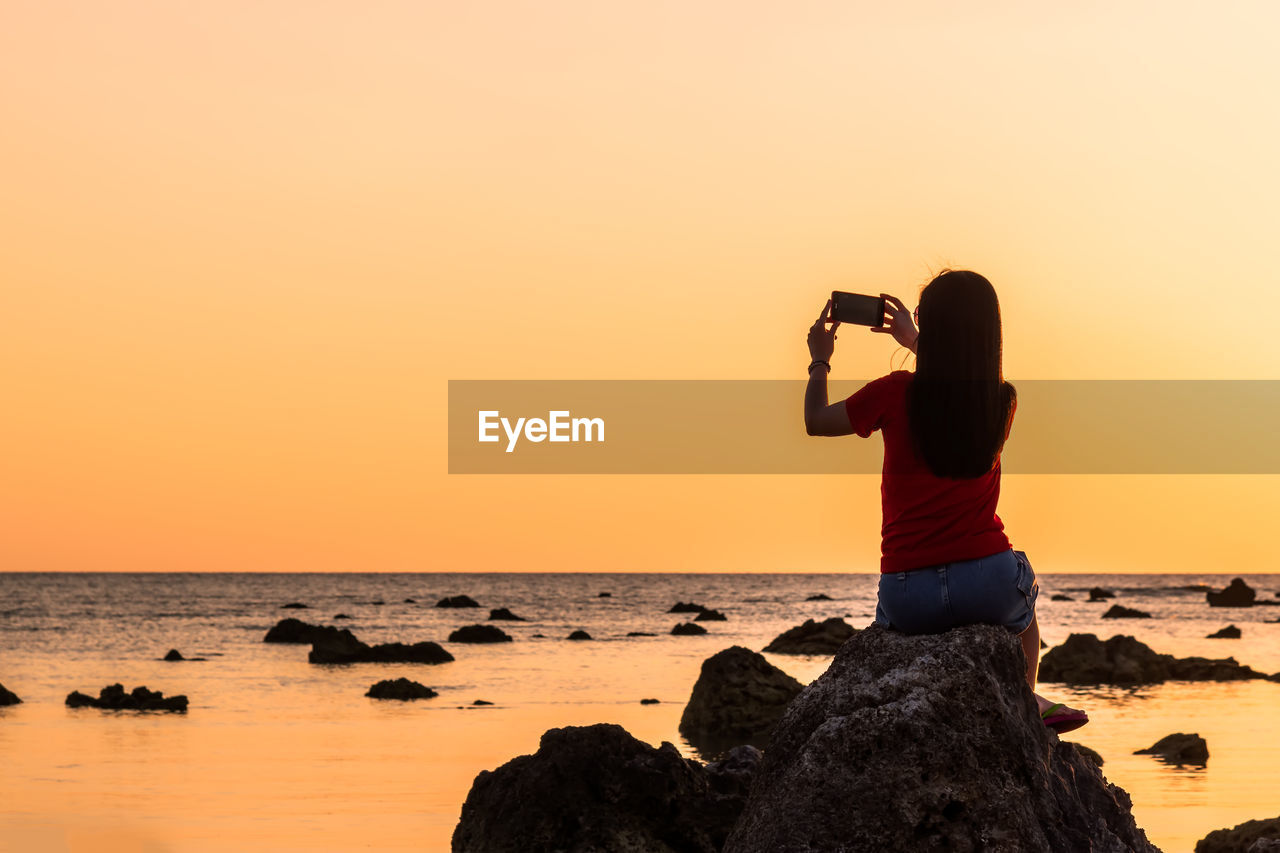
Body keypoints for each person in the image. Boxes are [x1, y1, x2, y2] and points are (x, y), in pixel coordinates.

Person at [802, 269, 1087, 734]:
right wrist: (919, 341)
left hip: (908, 594)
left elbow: (816, 420)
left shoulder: (893, 392)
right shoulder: (999, 402)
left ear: (931, 326)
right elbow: (956, 385)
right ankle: (1027, 699)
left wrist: (820, 361)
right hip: (988, 584)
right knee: (1026, 607)